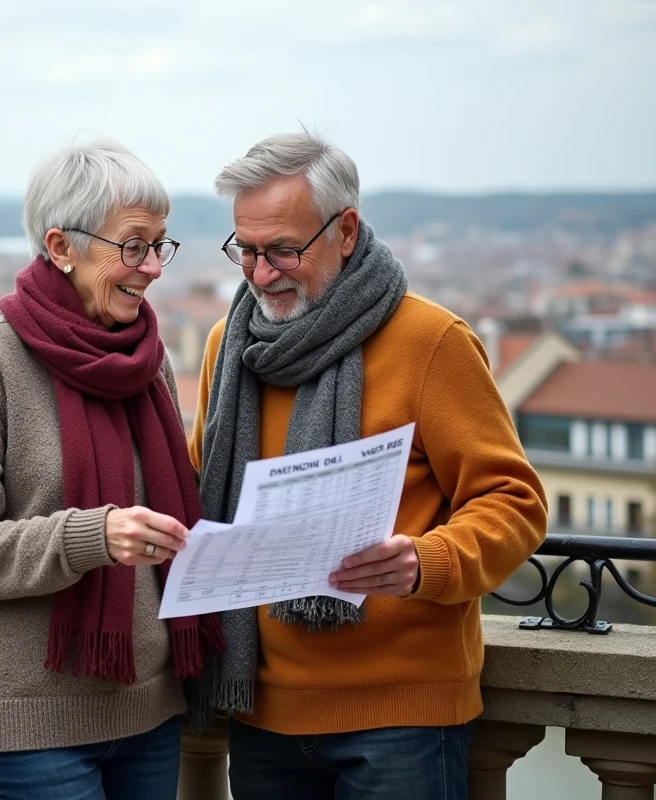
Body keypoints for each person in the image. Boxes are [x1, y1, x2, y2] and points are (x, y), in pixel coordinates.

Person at [188, 129, 548, 800]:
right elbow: (199, 494)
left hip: (402, 719)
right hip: (261, 712)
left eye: (284, 250)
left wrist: (426, 562)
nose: (262, 274)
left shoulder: (430, 342)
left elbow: (515, 502)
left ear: (346, 230)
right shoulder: (226, 346)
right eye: (247, 250)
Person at [0, 139, 223, 800]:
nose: (152, 269)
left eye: (159, 246)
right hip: (29, 727)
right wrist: (90, 537)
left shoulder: (146, 358)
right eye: (132, 246)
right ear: (61, 246)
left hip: (150, 711)